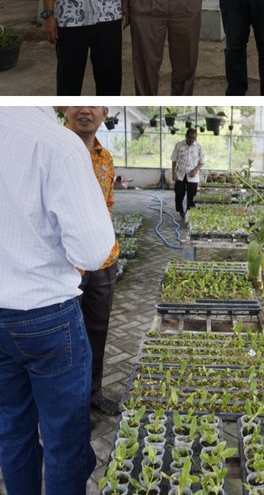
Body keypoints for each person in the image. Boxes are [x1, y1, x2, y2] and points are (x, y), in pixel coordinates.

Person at [0, 107, 115, 495]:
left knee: (12, 431)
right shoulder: (58, 145)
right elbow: (94, 251)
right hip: (45, 315)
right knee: (64, 439)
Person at [63, 106, 122, 416]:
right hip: (65, 266)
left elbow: (108, 204)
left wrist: (100, 243)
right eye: (76, 104)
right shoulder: (54, 150)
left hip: (102, 262)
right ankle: (73, 405)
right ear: (62, 109)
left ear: (104, 111)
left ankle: (94, 393)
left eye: (94, 106)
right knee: (67, 337)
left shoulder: (105, 157)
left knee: (97, 331)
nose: (84, 110)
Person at [171, 128, 205, 222]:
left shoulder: (198, 147)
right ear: (186, 136)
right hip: (180, 173)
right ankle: (180, 209)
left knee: (192, 197)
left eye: (193, 138)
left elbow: (202, 162)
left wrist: (195, 170)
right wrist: (173, 173)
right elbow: (174, 160)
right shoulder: (179, 145)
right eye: (190, 138)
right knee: (179, 193)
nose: (191, 140)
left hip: (192, 175)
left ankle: (188, 213)